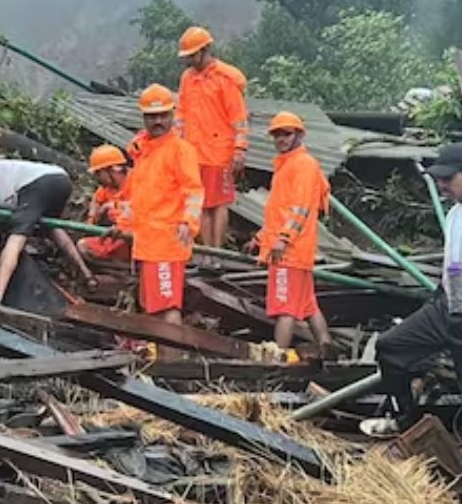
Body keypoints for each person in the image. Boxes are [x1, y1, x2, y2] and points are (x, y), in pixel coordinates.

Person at [361, 143, 462, 504]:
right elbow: (455, 265)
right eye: (440, 180)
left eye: (448, 179)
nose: (443, 186)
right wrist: (440, 302)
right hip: (449, 306)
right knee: (391, 347)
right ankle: (404, 418)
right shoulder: (455, 214)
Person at [119, 84, 203, 330]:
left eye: (163, 115)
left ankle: (172, 362)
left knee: (167, 308)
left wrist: (189, 223)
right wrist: (124, 224)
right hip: (147, 243)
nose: (158, 121)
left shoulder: (180, 151)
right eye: (152, 116)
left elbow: (194, 191)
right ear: (144, 117)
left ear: (172, 114)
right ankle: (160, 360)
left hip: (167, 241)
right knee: (153, 307)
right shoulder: (143, 153)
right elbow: (137, 196)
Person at [247, 111, 332, 352]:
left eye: (287, 134)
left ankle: (277, 359)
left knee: (284, 309)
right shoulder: (286, 165)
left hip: (290, 252)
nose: (281, 139)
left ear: (299, 135)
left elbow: (301, 208)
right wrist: (260, 238)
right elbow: (279, 211)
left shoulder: (303, 165)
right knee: (308, 307)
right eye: (277, 134)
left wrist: (283, 240)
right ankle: (328, 350)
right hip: (293, 250)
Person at [175, 26, 248, 253]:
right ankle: (207, 253)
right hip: (194, 152)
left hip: (220, 152)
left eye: (192, 55)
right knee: (203, 204)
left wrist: (240, 149)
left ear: (205, 50)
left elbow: (239, 117)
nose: (189, 61)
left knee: (219, 204)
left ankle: (217, 252)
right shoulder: (188, 78)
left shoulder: (224, 79)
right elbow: (181, 113)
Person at [0, 158, 95, 303]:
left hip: (37, 184)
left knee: (16, 238)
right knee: (51, 226)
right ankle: (86, 273)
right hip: (60, 179)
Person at [78, 145, 132, 264]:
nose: (97, 177)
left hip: (136, 238)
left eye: (98, 173)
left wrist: (114, 207)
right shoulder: (107, 187)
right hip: (115, 237)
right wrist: (92, 218)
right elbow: (96, 200)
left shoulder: (138, 181)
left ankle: (128, 272)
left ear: (113, 169)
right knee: (83, 246)